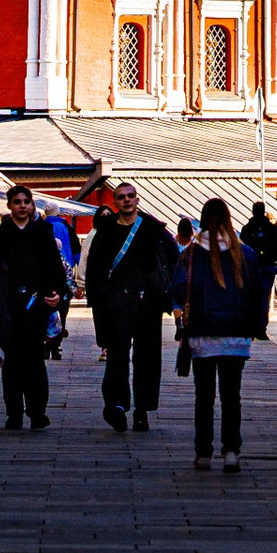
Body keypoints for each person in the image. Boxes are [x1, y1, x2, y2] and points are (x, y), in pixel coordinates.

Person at [0, 185, 70, 432]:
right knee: (12, 361)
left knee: (35, 359)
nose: (22, 206)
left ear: (32, 205)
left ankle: (38, 412)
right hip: (8, 306)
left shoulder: (42, 234)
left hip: (36, 304)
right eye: (17, 202)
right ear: (9, 205)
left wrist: (56, 294)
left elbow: (55, 268)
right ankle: (14, 412)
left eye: (26, 201)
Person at [179, 195, 265, 470]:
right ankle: (231, 451)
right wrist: (256, 326)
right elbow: (257, 294)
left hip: (202, 333)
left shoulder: (191, 254)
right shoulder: (245, 253)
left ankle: (203, 452)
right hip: (235, 335)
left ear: (203, 220)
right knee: (231, 396)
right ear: (228, 219)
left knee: (204, 397)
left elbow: (178, 289)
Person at [86, 181, 177, 435]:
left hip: (148, 302)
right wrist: (100, 298)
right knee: (117, 356)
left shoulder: (154, 230)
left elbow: (173, 260)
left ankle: (142, 410)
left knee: (146, 357)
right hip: (117, 302)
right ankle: (116, 405)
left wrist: (165, 292)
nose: (126, 200)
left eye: (130, 196)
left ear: (137, 200)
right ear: (115, 202)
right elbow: (95, 268)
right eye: (121, 197)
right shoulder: (106, 231)